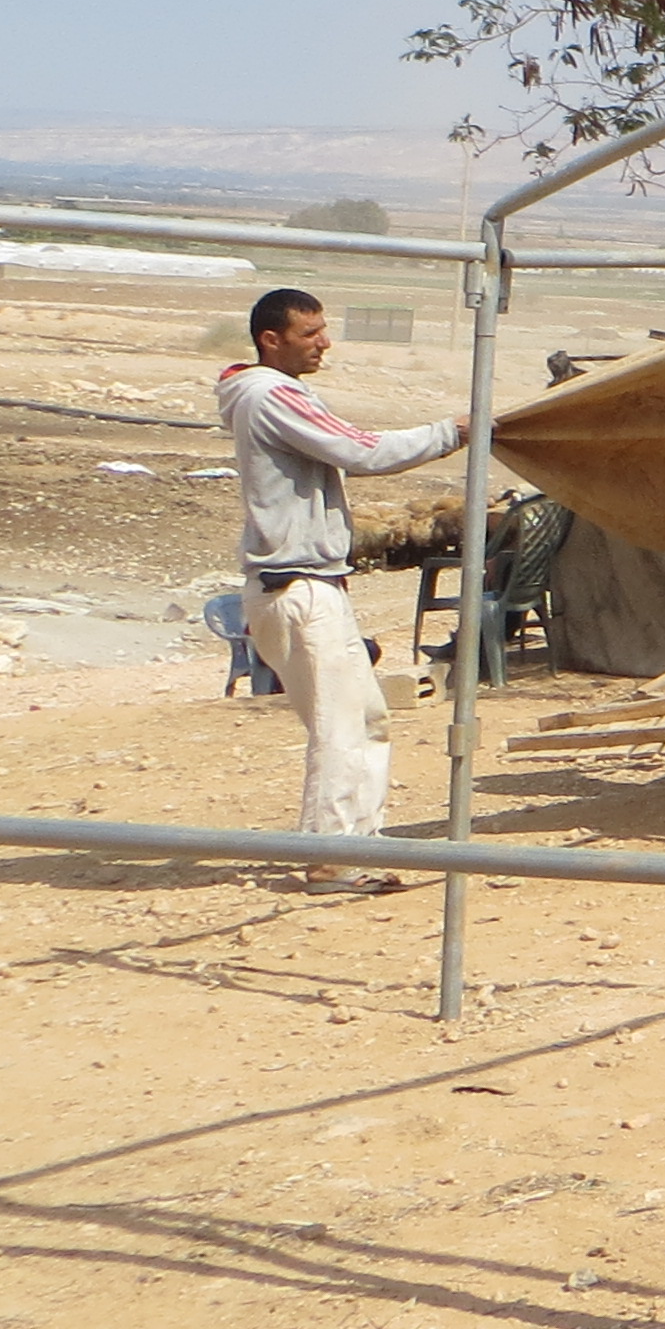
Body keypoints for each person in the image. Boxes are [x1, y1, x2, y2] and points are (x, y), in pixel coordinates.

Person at [216, 287, 466, 892]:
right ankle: (330, 856)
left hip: (311, 584)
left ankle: (361, 840)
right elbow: (359, 450)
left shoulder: (266, 391)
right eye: (310, 334)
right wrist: (451, 432)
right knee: (338, 728)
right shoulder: (272, 393)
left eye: (323, 330)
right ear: (270, 340)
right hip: (299, 587)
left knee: (369, 718)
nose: (324, 343)